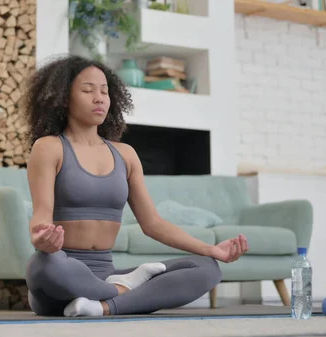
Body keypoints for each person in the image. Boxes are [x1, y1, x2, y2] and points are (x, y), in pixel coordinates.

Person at [20, 54, 249, 317]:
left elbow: (153, 224)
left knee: (207, 269)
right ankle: (125, 292)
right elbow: (42, 213)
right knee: (42, 266)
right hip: (62, 273)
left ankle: (101, 307)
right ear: (62, 98)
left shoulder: (125, 154)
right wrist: (41, 237)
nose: (99, 98)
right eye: (87, 90)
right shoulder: (49, 147)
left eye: (105, 91)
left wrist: (211, 249)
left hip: (106, 273)